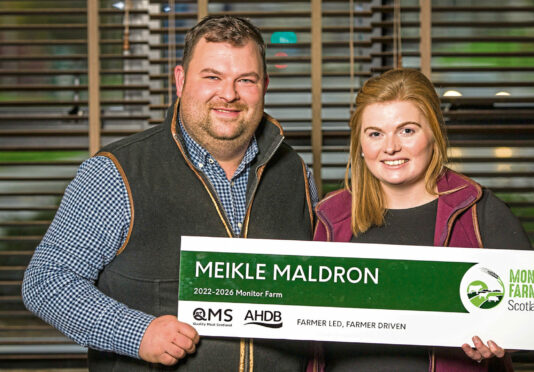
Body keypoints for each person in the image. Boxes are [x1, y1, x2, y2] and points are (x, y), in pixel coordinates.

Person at [22, 15, 317, 371]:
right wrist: (137, 333)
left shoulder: (297, 174)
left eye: (246, 80)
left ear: (265, 85)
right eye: (212, 77)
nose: (229, 94)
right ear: (180, 80)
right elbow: (46, 280)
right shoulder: (116, 172)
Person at [312, 68, 531, 371]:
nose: (390, 147)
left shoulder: (481, 213)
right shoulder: (328, 218)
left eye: (407, 131)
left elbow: (531, 321)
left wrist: (497, 342)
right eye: (375, 133)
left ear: (433, 135)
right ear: (360, 145)